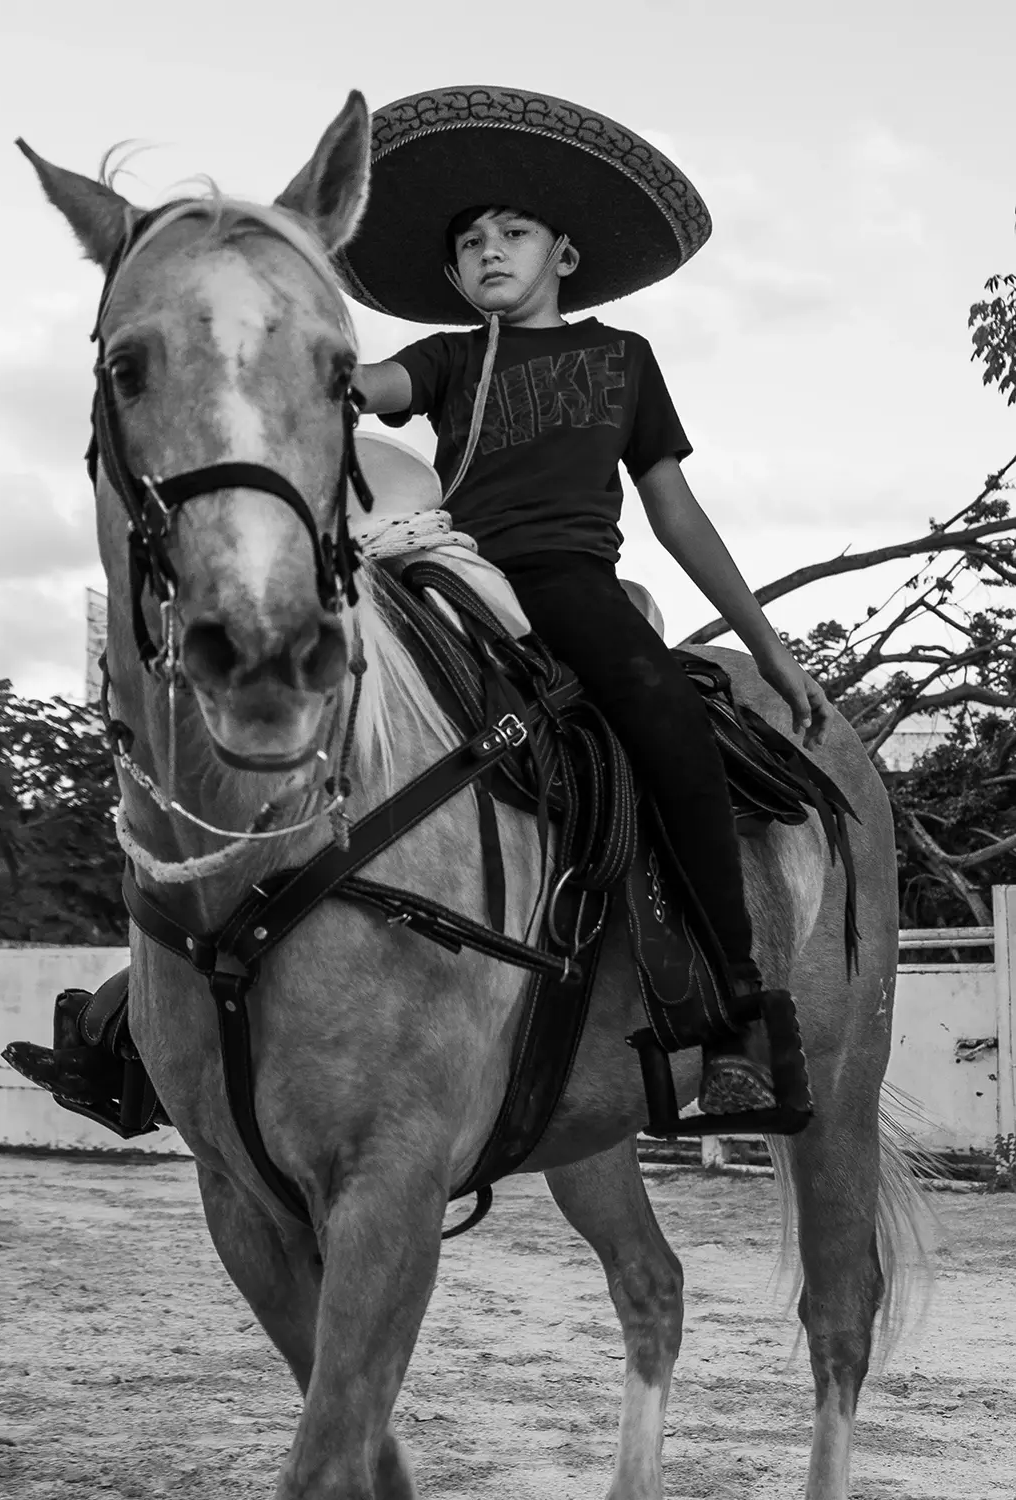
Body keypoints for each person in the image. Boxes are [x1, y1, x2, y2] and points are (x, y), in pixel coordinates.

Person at [335, 87, 835, 1119]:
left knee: (672, 729)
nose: (488, 249)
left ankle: (736, 1008)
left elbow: (676, 514)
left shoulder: (620, 360)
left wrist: (767, 647)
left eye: (512, 231)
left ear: (562, 255)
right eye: (468, 240)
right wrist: (312, 357)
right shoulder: (446, 358)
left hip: (568, 581)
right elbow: (369, 384)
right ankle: (140, 1019)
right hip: (441, 572)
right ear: (450, 276)